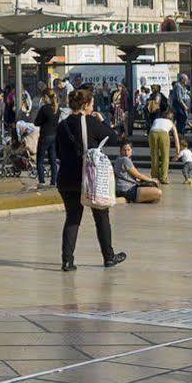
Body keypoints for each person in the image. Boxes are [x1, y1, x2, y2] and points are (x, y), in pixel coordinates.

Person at [52, 87, 127, 272]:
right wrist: (103, 120)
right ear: (86, 105)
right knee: (101, 216)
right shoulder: (91, 122)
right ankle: (108, 257)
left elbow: (58, 152)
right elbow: (114, 138)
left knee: (72, 218)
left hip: (66, 178)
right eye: (92, 103)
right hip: (88, 178)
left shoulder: (62, 125)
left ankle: (67, 261)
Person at [147, 104, 180, 185]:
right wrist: (178, 152)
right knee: (165, 157)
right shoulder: (171, 123)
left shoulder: (157, 119)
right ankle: (164, 178)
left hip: (152, 133)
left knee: (154, 156)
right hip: (163, 134)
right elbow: (176, 139)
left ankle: (154, 177)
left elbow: (153, 128)